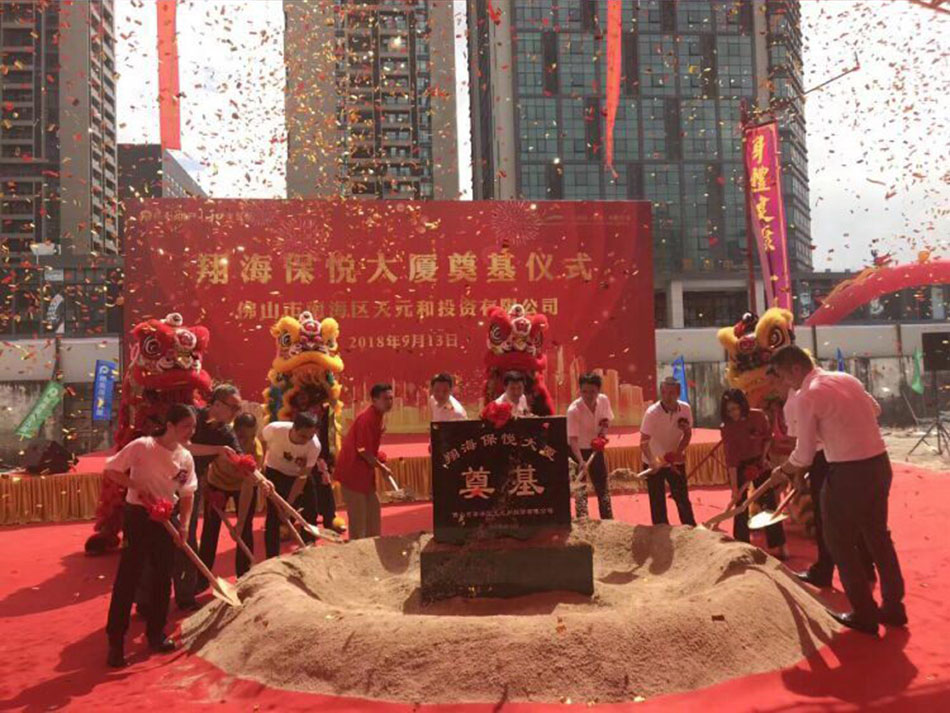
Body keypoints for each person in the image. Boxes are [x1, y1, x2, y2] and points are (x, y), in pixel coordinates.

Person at [768, 344, 906, 635]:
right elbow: (875, 409)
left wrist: (784, 471)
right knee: (878, 536)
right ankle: (894, 607)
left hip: (847, 472)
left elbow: (804, 454)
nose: (785, 383)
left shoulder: (807, 395)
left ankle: (864, 613)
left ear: (796, 368)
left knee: (838, 541)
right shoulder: (846, 378)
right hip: (879, 464)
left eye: (783, 375)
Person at [104, 404, 197, 668]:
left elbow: (187, 493)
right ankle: (116, 641)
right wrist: (135, 485)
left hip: (166, 520)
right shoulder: (142, 446)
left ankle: (156, 633)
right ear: (170, 426)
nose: (190, 432)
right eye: (186, 426)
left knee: (163, 577)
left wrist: (184, 525)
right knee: (129, 576)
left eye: (193, 427)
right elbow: (111, 470)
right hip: (138, 516)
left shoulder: (185, 457)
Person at [783, 380, 876, 587]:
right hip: (853, 456)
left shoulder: (801, 398)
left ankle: (831, 570)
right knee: (853, 514)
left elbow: (803, 448)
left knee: (826, 517)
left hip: (827, 458)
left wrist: (793, 472)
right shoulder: (845, 384)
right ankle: (863, 568)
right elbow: (875, 409)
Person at [171, 384, 243, 610]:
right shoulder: (190, 415)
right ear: (217, 404)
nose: (236, 413)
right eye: (233, 407)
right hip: (163, 479)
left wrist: (258, 477)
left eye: (238, 408)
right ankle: (146, 599)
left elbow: (239, 457)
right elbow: (183, 446)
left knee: (187, 536)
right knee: (156, 539)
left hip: (190, 486)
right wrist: (218, 450)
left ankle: (185, 595)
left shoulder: (225, 432)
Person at [197, 411, 272, 586]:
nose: (247, 442)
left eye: (252, 436)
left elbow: (247, 488)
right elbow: (203, 464)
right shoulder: (221, 438)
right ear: (234, 432)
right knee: (210, 530)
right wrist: (207, 488)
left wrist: (240, 523)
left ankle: (244, 576)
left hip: (241, 487)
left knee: (245, 530)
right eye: (243, 437)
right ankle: (202, 578)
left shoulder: (255, 451)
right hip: (217, 483)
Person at [719, 389, 787, 558]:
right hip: (740, 466)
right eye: (729, 410)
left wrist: (762, 459)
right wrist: (735, 488)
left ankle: (779, 545)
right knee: (740, 505)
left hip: (760, 462)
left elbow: (767, 438)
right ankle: (742, 545)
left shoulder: (757, 416)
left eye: (735, 408)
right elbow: (731, 459)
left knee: (768, 502)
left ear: (742, 405)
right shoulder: (727, 427)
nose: (733, 413)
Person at [335, 383, 395, 540]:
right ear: (374, 400)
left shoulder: (378, 416)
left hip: (364, 474)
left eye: (391, 398)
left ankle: (372, 547)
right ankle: (356, 552)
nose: (389, 402)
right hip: (353, 473)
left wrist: (379, 459)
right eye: (385, 399)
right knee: (358, 520)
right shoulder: (367, 419)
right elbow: (363, 451)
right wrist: (382, 468)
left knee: (373, 513)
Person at [260, 412, 323, 558]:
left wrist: (289, 506)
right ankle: (272, 557)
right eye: (302, 436)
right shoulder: (275, 429)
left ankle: (309, 548)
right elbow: (262, 440)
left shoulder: (314, 445)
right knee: (273, 515)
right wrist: (262, 463)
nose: (306, 441)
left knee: (311, 509)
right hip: (275, 472)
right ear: (294, 427)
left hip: (298, 475)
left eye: (310, 437)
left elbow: (302, 477)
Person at [640, 376, 697, 526]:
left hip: (674, 459)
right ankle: (661, 530)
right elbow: (643, 442)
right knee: (657, 500)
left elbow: (687, 434)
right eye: (664, 392)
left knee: (682, 497)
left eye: (672, 393)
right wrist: (652, 461)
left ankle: (690, 528)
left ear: (678, 393)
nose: (667, 396)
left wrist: (679, 452)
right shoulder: (652, 413)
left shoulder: (685, 409)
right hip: (653, 459)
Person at [567, 372, 614, 520]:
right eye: (584, 391)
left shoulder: (604, 400)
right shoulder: (573, 410)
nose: (588, 395)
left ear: (598, 390)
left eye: (592, 391)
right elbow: (572, 439)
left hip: (596, 448)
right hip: (577, 450)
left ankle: (608, 520)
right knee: (580, 489)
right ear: (579, 390)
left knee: (602, 487)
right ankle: (583, 521)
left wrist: (602, 435)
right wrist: (580, 461)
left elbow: (607, 421)